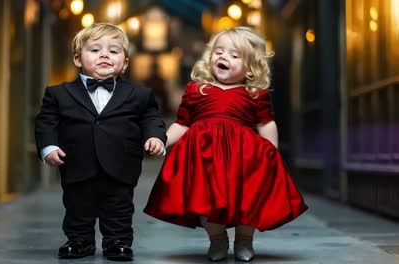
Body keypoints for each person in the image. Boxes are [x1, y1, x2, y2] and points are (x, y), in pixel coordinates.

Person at [144, 26, 308, 262]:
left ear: (250, 68)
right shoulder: (196, 89)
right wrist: (164, 139)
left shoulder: (254, 93)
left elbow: (266, 123)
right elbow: (183, 123)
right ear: (210, 57)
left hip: (244, 158)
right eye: (219, 52)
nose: (224, 57)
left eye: (234, 55)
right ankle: (217, 239)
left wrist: (271, 151)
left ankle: (244, 240)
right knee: (205, 199)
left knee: (248, 199)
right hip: (203, 157)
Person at [35, 23, 166, 261]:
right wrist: (49, 147)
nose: (104, 55)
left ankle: (118, 242)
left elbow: (151, 118)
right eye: (95, 50)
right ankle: (79, 240)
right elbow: (46, 123)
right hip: (76, 162)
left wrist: (155, 136)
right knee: (77, 206)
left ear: (125, 63)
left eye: (113, 51)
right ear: (77, 59)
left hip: (121, 163)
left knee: (119, 207)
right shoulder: (58, 94)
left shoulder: (139, 95)